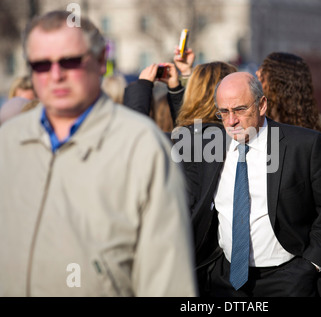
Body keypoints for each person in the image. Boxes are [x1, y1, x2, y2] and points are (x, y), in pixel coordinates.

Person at [0, 10, 197, 297]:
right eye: (41, 65)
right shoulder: (9, 139)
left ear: (100, 62)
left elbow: (166, 281)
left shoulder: (143, 145)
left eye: (70, 61)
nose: (56, 75)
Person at [176, 71, 321, 297]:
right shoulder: (208, 146)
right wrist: (179, 80)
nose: (232, 120)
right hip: (225, 280)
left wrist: (311, 265)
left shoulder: (303, 145)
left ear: (262, 105)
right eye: (224, 112)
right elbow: (170, 129)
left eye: (240, 110)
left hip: (288, 278)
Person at [256, 52, 321, 133]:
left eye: (263, 78)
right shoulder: (263, 122)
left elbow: (274, 145)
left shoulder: (306, 136)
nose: (257, 73)